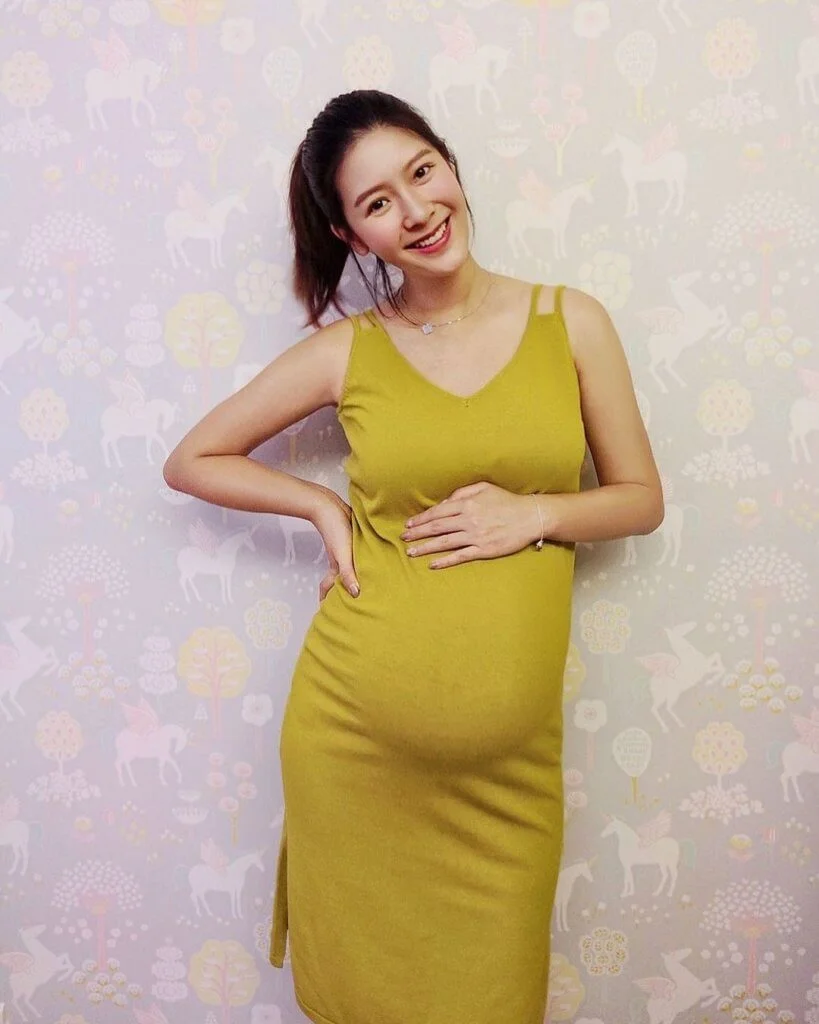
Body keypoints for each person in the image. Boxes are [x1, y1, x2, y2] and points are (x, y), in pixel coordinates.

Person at [163, 89, 664, 1024]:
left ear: (451, 166)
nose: (416, 209)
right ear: (351, 234)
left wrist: (534, 512)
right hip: (354, 746)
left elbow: (641, 499)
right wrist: (319, 505)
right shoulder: (348, 350)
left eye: (421, 172)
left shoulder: (570, 320)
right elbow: (192, 459)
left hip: (507, 781)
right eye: (377, 202)